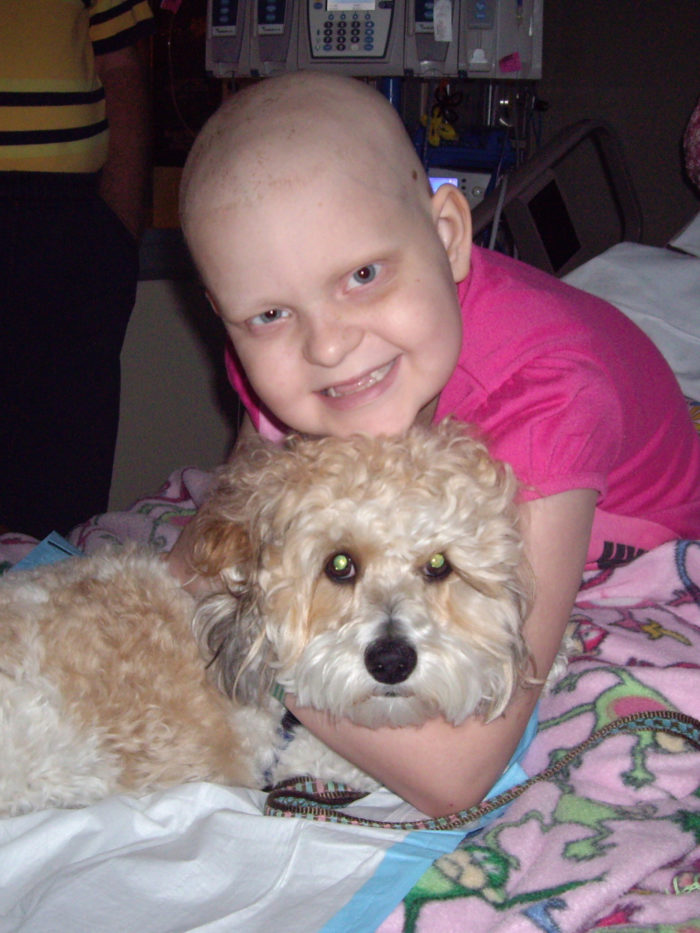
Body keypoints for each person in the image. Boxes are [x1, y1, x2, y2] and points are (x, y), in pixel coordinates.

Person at [171, 71, 700, 818]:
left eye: (361, 274)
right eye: (267, 314)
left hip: (631, 543)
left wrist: (252, 642)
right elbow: (210, 543)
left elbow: (457, 772)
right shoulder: (289, 363)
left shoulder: (549, 399)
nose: (327, 345)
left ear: (449, 235)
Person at [0, 0, 153, 538]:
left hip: (68, 226)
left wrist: (117, 236)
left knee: (66, 474)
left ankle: (46, 613)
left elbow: (120, 69)